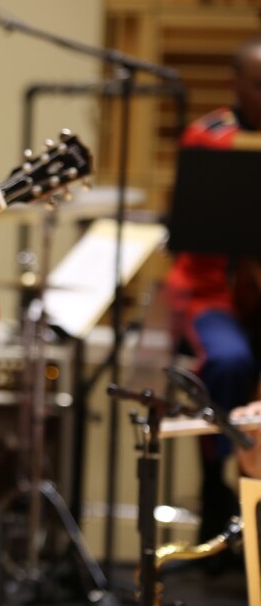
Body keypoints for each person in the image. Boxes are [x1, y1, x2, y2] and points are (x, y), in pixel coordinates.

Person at [166, 36, 261, 542]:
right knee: (228, 361)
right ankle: (214, 489)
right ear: (236, 85)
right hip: (211, 292)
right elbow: (189, 233)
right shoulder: (207, 138)